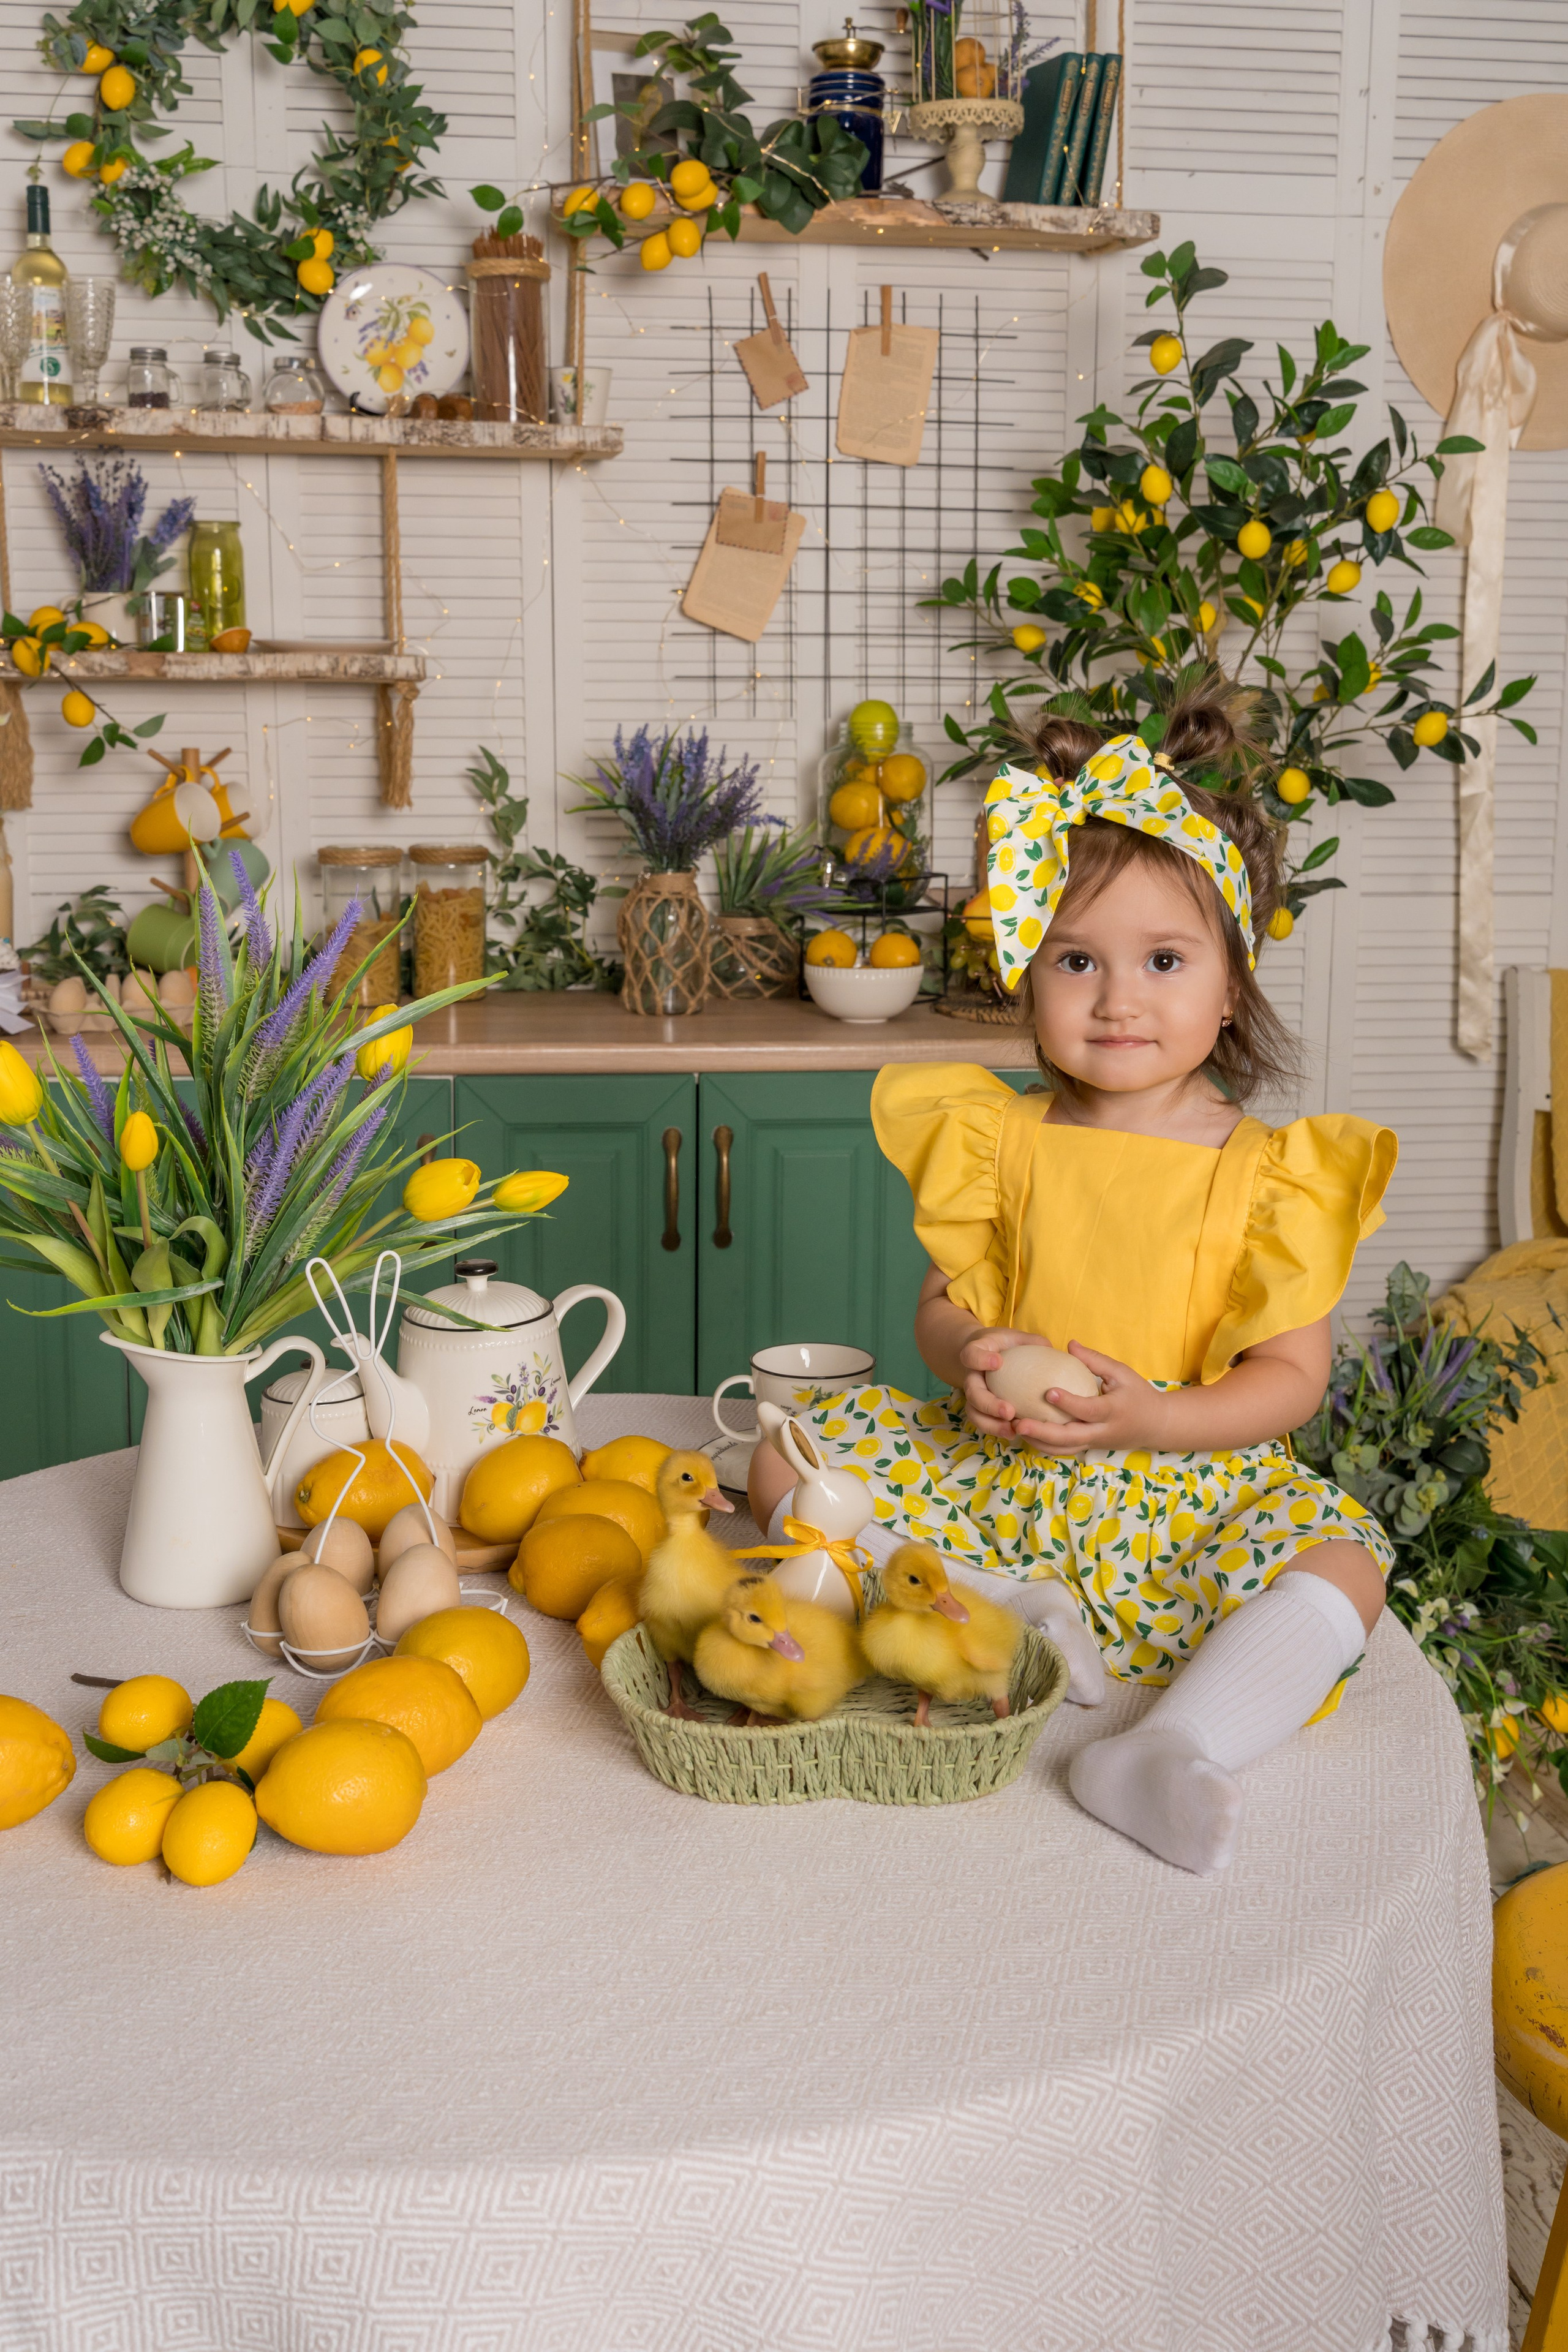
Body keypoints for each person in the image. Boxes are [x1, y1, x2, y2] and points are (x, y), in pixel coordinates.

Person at [750, 676, 1397, 1875]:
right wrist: (969, 1355)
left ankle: (1166, 1748)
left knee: (1344, 1568)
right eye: (1075, 959)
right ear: (1026, 976)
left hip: (1175, 1489)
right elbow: (943, 1309)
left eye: (1163, 959)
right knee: (782, 1457)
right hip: (1002, 1470)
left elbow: (1290, 1380)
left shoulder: (1268, 1177)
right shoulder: (999, 1138)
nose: (1117, 999)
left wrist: (1156, 1419)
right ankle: (997, 1602)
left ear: (1231, 982)